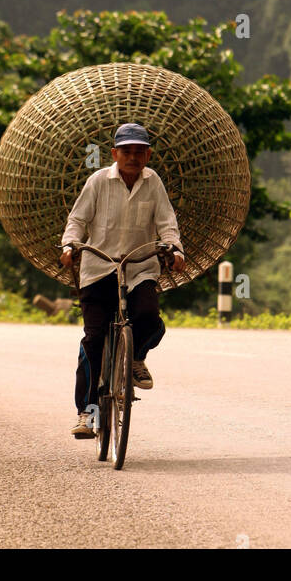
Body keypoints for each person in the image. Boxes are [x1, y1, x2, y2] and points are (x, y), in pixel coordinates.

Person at [59, 122, 185, 438]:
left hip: (139, 267)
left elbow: (166, 222)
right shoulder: (98, 181)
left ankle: (137, 357)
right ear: (114, 154)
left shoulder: (152, 182)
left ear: (147, 155)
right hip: (99, 268)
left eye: (139, 151)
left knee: (150, 320)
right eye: (126, 151)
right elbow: (77, 221)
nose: (133, 157)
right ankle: (87, 414)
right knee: (94, 338)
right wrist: (69, 244)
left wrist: (175, 248)